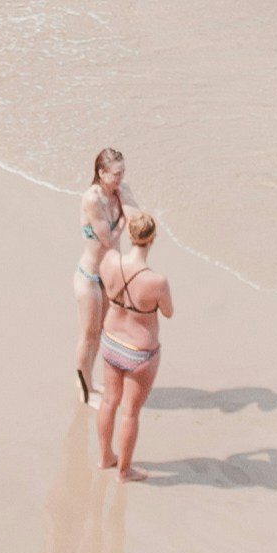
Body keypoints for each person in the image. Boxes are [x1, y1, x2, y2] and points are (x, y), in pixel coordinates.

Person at [94, 210, 172, 478]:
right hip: (140, 351)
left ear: (129, 235)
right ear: (153, 238)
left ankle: (105, 457)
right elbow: (169, 312)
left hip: (111, 340)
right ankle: (125, 471)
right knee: (130, 413)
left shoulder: (109, 261)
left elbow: (105, 286)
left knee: (108, 402)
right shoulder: (156, 281)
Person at [72, 146, 130, 399]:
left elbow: (138, 216)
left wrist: (130, 213)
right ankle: (85, 390)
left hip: (108, 276)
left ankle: (90, 380)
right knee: (88, 334)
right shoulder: (93, 199)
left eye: (123, 173)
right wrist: (125, 221)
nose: (120, 179)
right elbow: (107, 239)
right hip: (89, 278)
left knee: (102, 333)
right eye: (116, 174)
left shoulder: (119, 192)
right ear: (101, 172)